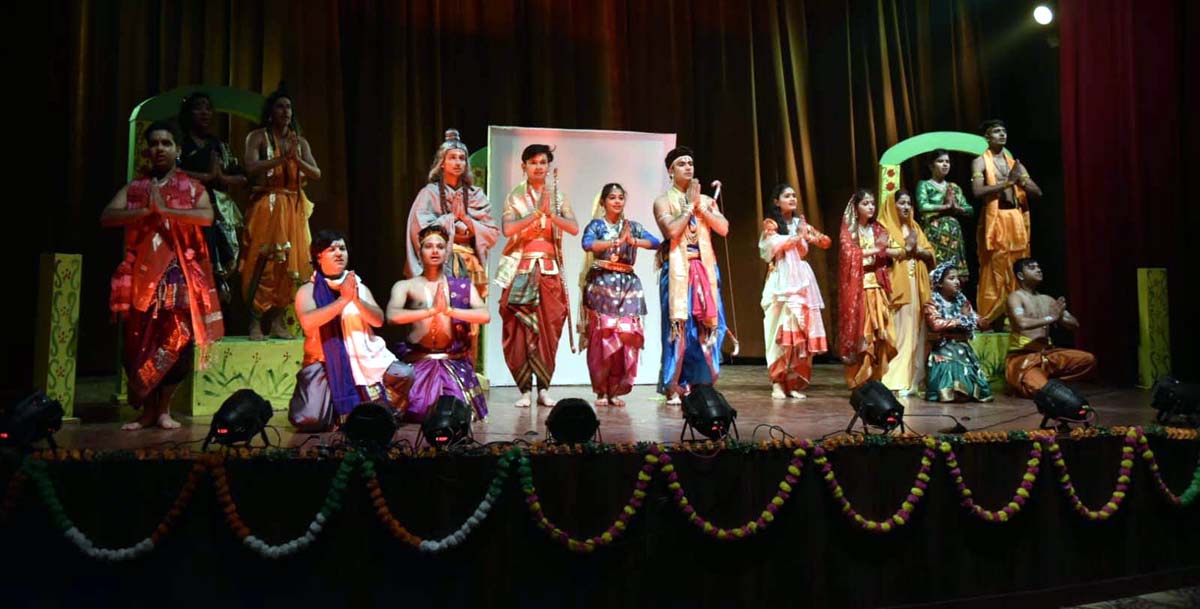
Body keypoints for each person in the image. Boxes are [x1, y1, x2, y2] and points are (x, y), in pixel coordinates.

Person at [103, 121, 224, 430]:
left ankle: (164, 410)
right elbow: (108, 216)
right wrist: (145, 211)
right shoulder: (137, 188)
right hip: (141, 280)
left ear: (177, 150)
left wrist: (165, 210)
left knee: (177, 343)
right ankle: (145, 412)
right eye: (154, 143)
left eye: (166, 143)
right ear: (147, 150)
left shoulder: (192, 188)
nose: (159, 148)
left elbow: (207, 216)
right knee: (136, 344)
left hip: (178, 276)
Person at [290, 230, 412, 431]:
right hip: (325, 363)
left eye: (342, 248)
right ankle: (344, 409)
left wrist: (355, 299)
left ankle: (385, 410)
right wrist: (343, 300)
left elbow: (378, 320)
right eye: (332, 249)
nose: (339, 253)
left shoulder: (358, 286)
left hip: (365, 359)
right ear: (318, 257)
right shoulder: (308, 290)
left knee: (404, 374)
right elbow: (308, 322)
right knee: (310, 419)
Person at [405, 129, 498, 362]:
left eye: (462, 158)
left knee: (468, 318)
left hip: (470, 264)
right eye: (452, 157)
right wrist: (451, 224)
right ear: (442, 163)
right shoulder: (429, 193)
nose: (458, 162)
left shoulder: (477, 195)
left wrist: (466, 222)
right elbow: (420, 227)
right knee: (440, 315)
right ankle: (440, 367)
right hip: (440, 265)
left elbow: (491, 231)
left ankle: (468, 368)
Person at [498, 144, 579, 407]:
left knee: (548, 330)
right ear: (523, 166)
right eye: (533, 162)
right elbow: (508, 230)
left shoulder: (558, 197)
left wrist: (551, 215)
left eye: (543, 162)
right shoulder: (514, 196)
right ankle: (524, 391)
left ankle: (544, 388)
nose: (539, 167)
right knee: (518, 330)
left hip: (549, 271)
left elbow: (574, 228)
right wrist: (534, 215)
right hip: (521, 269)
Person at [241, 84, 321, 340]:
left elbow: (316, 173)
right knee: (262, 264)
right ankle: (254, 322)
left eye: (288, 107)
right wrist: (280, 160)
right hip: (267, 205)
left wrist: (296, 160)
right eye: (280, 106)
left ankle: (277, 321)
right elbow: (250, 167)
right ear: (270, 112)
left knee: (290, 267)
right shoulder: (257, 137)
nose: (285, 111)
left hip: (293, 208)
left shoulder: (300, 142)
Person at [387, 226, 490, 421]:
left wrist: (449, 311)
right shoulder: (405, 286)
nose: (434, 251)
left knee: (456, 411)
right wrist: (431, 311)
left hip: (452, 362)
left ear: (447, 252)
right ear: (420, 252)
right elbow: (392, 316)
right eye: (428, 246)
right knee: (416, 411)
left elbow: (484, 315)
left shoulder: (462, 287)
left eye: (440, 247)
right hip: (419, 361)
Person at [654, 147, 729, 405]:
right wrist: (688, 208)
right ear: (670, 171)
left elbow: (723, 228)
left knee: (709, 327)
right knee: (679, 329)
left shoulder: (706, 200)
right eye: (681, 164)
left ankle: (701, 383)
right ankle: (674, 385)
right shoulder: (663, 201)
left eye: (691, 163)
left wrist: (702, 208)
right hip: (678, 273)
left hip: (705, 271)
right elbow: (672, 232)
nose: (688, 167)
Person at [578, 183, 660, 407]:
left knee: (626, 337)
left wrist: (634, 242)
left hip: (628, 286)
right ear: (603, 202)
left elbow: (656, 243)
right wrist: (615, 242)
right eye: (612, 197)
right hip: (601, 284)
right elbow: (587, 244)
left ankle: (615, 390)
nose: (617, 201)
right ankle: (601, 391)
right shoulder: (596, 225)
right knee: (603, 338)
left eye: (621, 198)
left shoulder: (632, 227)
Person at [758, 183, 831, 400]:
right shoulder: (771, 224)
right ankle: (778, 383)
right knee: (779, 332)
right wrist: (797, 237)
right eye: (787, 196)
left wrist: (811, 235)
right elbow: (770, 247)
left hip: (802, 281)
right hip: (780, 281)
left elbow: (826, 242)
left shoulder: (801, 223)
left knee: (800, 332)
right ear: (776, 201)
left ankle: (794, 381)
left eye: (794, 196)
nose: (792, 199)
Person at [177, 91, 246, 303]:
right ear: (188, 113)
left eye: (208, 108)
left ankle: (215, 317)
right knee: (193, 259)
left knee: (224, 262)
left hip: (218, 211)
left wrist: (220, 177)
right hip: (188, 210)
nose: (205, 112)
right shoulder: (180, 143)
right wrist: (206, 177)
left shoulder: (218, 145)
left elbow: (241, 177)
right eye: (199, 107)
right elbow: (173, 174)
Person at [972, 120, 1043, 324]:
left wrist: (1022, 180)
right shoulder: (979, 161)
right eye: (996, 131)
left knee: (1019, 266)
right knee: (995, 267)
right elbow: (977, 191)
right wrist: (1008, 182)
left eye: (1004, 130)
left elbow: (1037, 192)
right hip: (996, 221)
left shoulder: (1015, 164)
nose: (1002, 134)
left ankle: (1019, 315)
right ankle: (990, 319)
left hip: (1016, 219)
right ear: (987, 137)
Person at [1004, 258, 1095, 398]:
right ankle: (1044, 384)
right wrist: (1050, 318)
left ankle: (1052, 383)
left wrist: (1060, 317)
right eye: (1032, 267)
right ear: (1021, 275)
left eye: (1039, 267)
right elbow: (1021, 323)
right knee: (1039, 389)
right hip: (1024, 357)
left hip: (1048, 355)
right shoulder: (1015, 297)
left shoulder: (1048, 299)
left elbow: (1074, 324)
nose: (1038, 269)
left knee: (1088, 359)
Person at [837, 189, 898, 389]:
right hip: (859, 289)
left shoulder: (879, 229)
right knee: (863, 334)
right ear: (856, 208)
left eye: (872, 203)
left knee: (881, 332)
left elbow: (891, 250)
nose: (871, 207)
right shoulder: (849, 232)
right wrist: (875, 250)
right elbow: (849, 254)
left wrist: (894, 250)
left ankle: (876, 379)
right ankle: (858, 380)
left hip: (877, 288)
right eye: (866, 203)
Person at [879, 189, 936, 396]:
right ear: (892, 206)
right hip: (896, 286)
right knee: (898, 333)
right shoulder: (884, 228)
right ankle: (893, 378)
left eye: (908, 203)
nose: (905, 207)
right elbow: (879, 254)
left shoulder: (915, 228)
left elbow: (929, 252)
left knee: (915, 333)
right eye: (901, 203)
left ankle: (912, 380)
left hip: (916, 285)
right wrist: (904, 250)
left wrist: (919, 251)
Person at [923, 261, 993, 402]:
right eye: (951, 278)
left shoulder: (962, 302)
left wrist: (972, 318)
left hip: (963, 349)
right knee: (952, 392)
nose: (957, 282)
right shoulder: (932, 303)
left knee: (974, 392)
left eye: (957, 278)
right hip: (943, 349)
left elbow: (983, 324)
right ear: (940, 283)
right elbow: (936, 325)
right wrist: (961, 320)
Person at [917, 149, 972, 282]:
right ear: (931, 166)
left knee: (955, 275)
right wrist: (945, 207)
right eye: (940, 161)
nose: (945, 164)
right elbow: (922, 206)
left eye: (947, 161)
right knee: (936, 273)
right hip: (934, 232)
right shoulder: (924, 185)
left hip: (953, 235)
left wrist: (957, 208)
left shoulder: (954, 187)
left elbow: (970, 210)